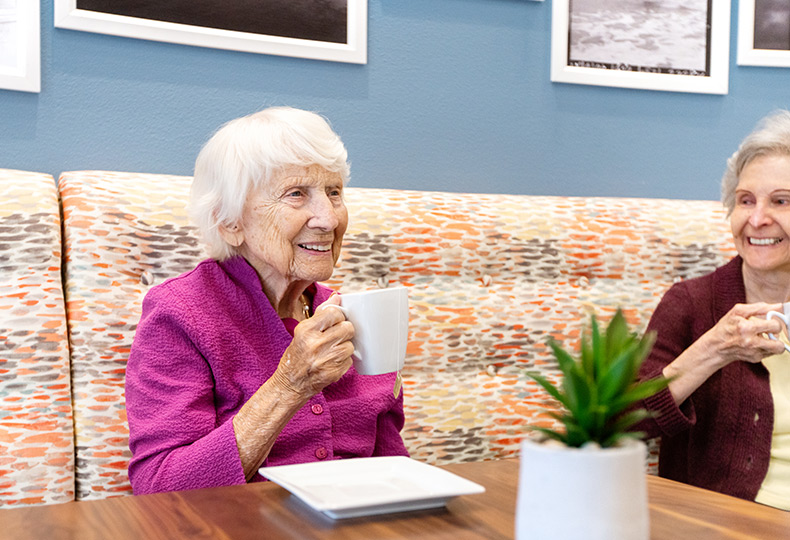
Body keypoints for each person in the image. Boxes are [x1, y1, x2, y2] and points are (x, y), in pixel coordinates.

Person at [125, 107, 408, 495]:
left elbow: (394, 467)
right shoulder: (181, 314)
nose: (328, 219)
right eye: (296, 194)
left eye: (334, 192)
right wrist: (289, 385)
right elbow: (160, 490)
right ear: (230, 222)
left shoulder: (356, 316)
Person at [637, 110, 790, 511]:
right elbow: (626, 421)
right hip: (730, 520)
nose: (757, 219)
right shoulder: (691, 303)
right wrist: (714, 350)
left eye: (781, 201)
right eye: (745, 201)